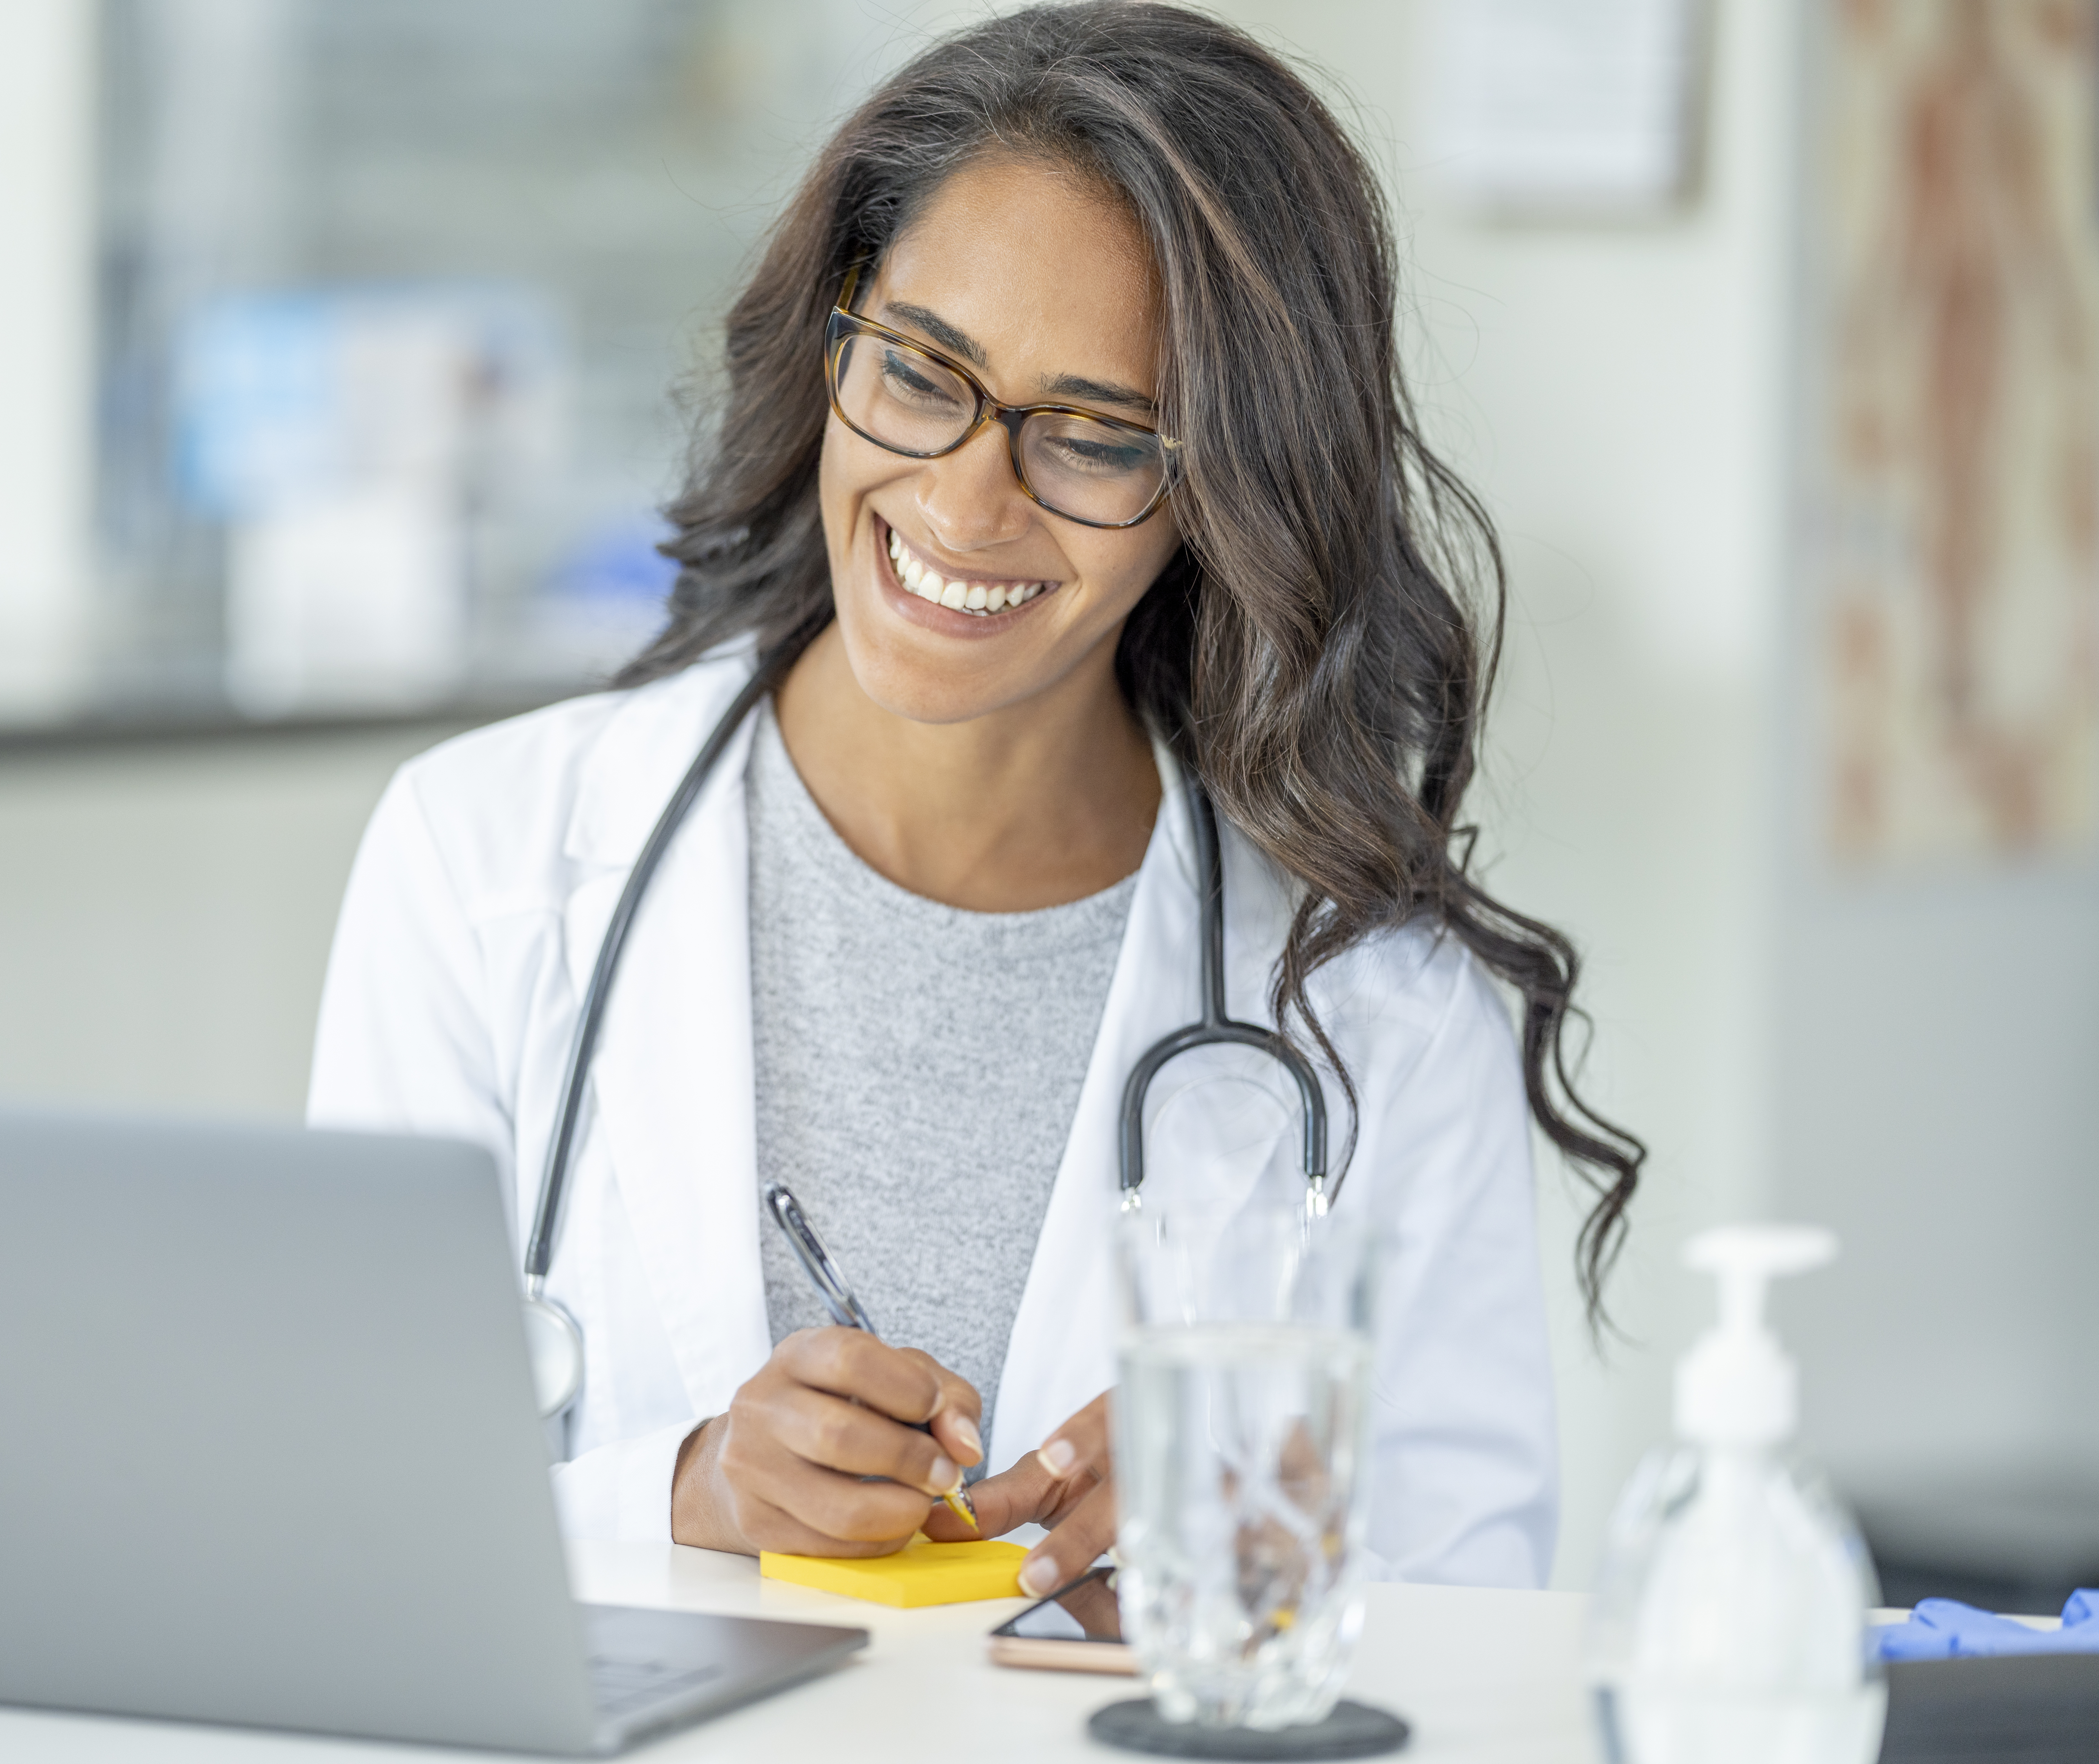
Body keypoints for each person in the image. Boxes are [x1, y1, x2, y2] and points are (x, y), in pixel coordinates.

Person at [308, 2, 1642, 1598]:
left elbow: (1470, 1623)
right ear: (835, 340)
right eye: (923, 371)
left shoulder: (1374, 1003)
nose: (960, 499)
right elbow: (349, 1526)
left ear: (1224, 487)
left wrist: (1259, 1554)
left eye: (1092, 436)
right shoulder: (484, 863)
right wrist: (685, 1491)